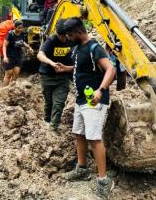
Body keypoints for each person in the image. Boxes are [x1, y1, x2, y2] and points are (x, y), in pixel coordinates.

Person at [57, 17, 116, 199]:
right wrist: (66, 68)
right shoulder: (77, 49)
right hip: (81, 99)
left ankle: (103, 180)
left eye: (69, 34)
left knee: (94, 138)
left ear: (78, 32)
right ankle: (82, 168)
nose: (68, 38)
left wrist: (101, 89)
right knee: (79, 133)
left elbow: (110, 69)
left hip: (94, 101)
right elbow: (80, 69)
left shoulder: (94, 48)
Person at [37, 19, 74, 131]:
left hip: (63, 78)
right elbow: (40, 55)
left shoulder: (72, 40)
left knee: (58, 103)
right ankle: (47, 120)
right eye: (61, 36)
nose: (63, 39)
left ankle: (53, 127)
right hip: (47, 76)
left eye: (65, 36)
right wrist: (52, 63)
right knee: (49, 103)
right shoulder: (51, 41)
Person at [2, 20, 34, 86]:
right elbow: (4, 46)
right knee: (8, 74)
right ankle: (4, 90)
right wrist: (5, 56)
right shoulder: (10, 34)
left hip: (18, 56)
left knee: (16, 74)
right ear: (15, 27)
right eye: (19, 28)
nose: (20, 29)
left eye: (21, 28)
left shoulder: (21, 33)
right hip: (10, 56)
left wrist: (29, 47)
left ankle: (10, 88)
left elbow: (22, 41)